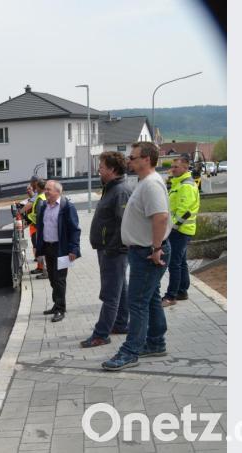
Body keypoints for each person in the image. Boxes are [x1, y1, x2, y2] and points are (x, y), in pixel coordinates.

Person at [102, 142, 172, 371]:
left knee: (137, 303)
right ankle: (155, 342)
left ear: (147, 159)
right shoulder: (144, 182)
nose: (129, 161)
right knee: (150, 299)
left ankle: (130, 352)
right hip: (143, 251)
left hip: (147, 253)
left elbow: (160, 217)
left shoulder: (151, 185)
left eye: (133, 157)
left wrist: (156, 248)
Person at [81, 151, 132, 348]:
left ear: (112, 169)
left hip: (114, 251)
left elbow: (123, 224)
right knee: (121, 289)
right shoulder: (111, 188)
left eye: (101, 167)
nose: (98, 171)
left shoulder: (120, 191)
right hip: (109, 249)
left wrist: (112, 248)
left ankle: (101, 334)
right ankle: (120, 324)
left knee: (110, 293)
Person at [34, 180, 81, 322]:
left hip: (62, 249)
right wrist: (38, 247)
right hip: (48, 247)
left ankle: (61, 309)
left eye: (49, 189)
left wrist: (73, 249)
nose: (46, 192)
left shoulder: (67, 207)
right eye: (46, 189)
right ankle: (56, 304)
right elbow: (41, 228)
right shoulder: (44, 207)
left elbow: (74, 229)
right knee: (52, 278)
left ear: (57, 191)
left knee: (60, 279)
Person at [161, 154, 200, 307]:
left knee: (174, 263)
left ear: (185, 167)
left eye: (176, 167)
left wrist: (172, 227)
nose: (173, 169)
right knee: (181, 262)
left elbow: (185, 211)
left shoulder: (185, 186)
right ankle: (182, 291)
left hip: (180, 230)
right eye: (172, 166)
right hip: (182, 229)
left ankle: (171, 296)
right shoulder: (179, 183)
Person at [21, 177, 46, 276]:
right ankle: (40, 267)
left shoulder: (40, 197)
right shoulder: (39, 196)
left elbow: (36, 213)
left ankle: (44, 270)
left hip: (38, 226)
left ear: (37, 185)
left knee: (39, 248)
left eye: (32, 184)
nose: (32, 186)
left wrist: (21, 213)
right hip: (36, 225)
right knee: (37, 247)